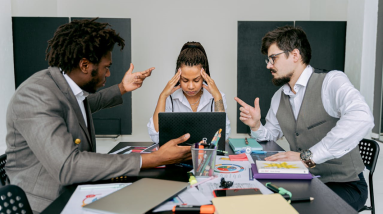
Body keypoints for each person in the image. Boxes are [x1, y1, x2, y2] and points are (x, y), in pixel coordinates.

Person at [5, 18, 191, 213]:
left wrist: (122, 88)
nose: (109, 73)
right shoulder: (35, 94)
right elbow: (68, 166)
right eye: (106, 67)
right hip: (48, 204)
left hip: (77, 191)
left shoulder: (64, 87)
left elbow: (85, 105)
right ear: (85, 65)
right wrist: (153, 159)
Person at [235, 26, 373, 211]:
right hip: (303, 179)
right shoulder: (279, 97)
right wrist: (256, 125)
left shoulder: (331, 82)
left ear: (295, 55)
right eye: (267, 60)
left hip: (345, 184)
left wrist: (306, 157)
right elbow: (270, 135)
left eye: (273, 58)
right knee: (263, 203)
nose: (268, 65)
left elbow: (362, 117)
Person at [147, 41, 231, 143]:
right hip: (176, 157)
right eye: (185, 80)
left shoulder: (217, 97)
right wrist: (162, 96)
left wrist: (217, 96)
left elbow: (222, 137)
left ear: (204, 76)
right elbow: (156, 136)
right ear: (178, 77)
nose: (190, 86)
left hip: (206, 156)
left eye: (196, 80)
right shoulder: (169, 98)